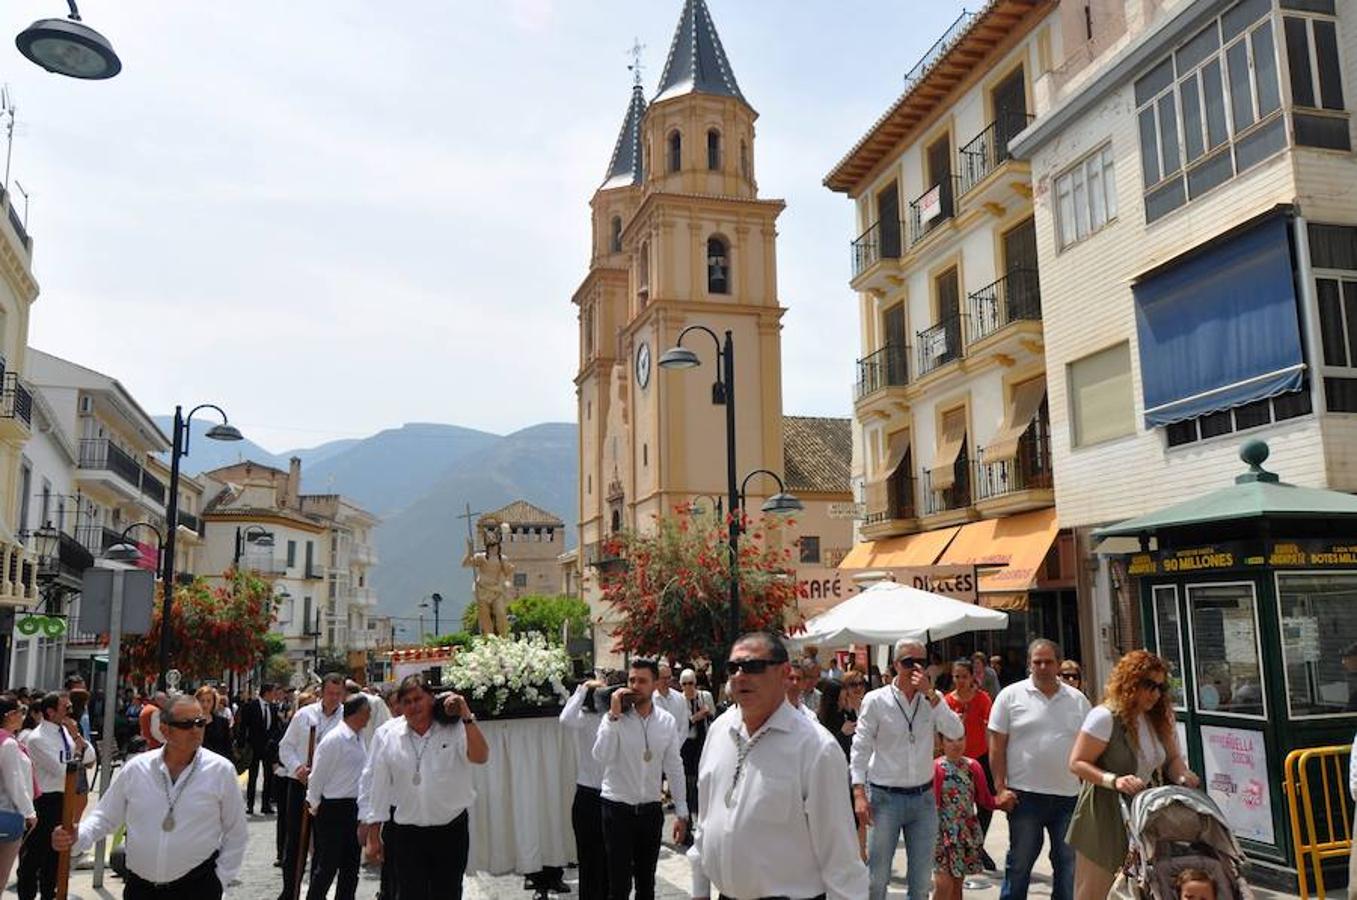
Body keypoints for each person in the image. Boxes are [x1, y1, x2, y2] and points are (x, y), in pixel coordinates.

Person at [690, 632, 868, 899]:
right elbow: (705, 822)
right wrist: (699, 891)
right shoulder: (719, 731)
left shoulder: (816, 747)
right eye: (733, 668)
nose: (740, 675)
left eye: (753, 666)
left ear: (784, 673)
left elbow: (841, 860)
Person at [52, 694, 248, 900]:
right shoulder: (137, 769)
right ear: (164, 729)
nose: (195, 730)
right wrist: (77, 836)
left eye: (200, 723)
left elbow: (236, 832)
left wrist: (220, 881)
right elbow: (104, 817)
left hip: (196, 887)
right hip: (141, 889)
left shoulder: (220, 771)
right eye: (186, 724)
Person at [1067, 650, 1199, 900]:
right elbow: (1077, 762)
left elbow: (1172, 760)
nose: (1156, 693)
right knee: (1099, 889)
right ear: (1130, 682)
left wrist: (1183, 776)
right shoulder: (1105, 717)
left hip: (1143, 810)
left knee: (1144, 886)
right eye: (1149, 685)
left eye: (1161, 687)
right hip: (1104, 812)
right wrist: (1113, 780)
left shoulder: (1159, 718)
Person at [851, 638, 965, 900]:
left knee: (921, 882)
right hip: (885, 798)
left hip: (923, 799)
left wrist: (933, 695)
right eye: (907, 662)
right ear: (894, 665)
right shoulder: (876, 700)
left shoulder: (931, 700)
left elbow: (956, 732)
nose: (915, 668)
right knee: (877, 879)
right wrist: (858, 792)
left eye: (921, 662)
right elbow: (860, 748)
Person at [362, 674, 488, 900]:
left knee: (447, 894)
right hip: (407, 833)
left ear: (431, 698)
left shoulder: (455, 726)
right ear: (399, 706)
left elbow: (480, 756)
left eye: (418, 699)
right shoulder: (387, 735)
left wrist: (466, 715)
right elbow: (377, 785)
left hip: (450, 830)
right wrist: (373, 835)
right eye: (407, 702)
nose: (413, 706)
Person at [987, 639, 1091, 900]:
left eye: (1048, 662)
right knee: (1019, 866)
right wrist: (1000, 789)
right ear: (1029, 664)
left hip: (1068, 798)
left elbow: (1089, 748)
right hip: (1024, 797)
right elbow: (996, 747)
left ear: (1058, 664)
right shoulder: (1010, 696)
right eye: (1037, 662)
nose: (1043, 667)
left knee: (1068, 868)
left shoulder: (1078, 701)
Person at [593, 658, 687, 900]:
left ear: (655, 684)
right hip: (617, 809)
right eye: (631, 680)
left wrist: (682, 812)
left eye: (642, 681)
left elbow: (674, 767)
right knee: (619, 886)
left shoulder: (666, 721)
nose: (635, 686)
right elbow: (601, 756)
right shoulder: (614, 718)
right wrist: (613, 717)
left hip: (650, 811)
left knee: (646, 884)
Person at [276, 674, 346, 900]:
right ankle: (290, 892)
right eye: (330, 693)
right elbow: (285, 747)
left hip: (330, 790)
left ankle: (316, 894)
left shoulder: (347, 718)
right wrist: (298, 768)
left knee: (324, 845)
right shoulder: (304, 715)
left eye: (338, 694)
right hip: (300, 786)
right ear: (321, 693)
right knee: (295, 842)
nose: (334, 698)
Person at [305, 694, 371, 900]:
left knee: (351, 867)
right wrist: (314, 804)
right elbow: (318, 776)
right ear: (358, 714)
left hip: (353, 808)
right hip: (333, 809)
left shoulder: (359, 738)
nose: (369, 718)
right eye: (367, 713)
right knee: (327, 866)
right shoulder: (334, 740)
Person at [18, 691, 83, 900]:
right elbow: (63, 769)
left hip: (63, 799)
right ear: (50, 711)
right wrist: (77, 755)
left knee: (54, 857)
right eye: (66, 708)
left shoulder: (64, 732)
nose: (70, 712)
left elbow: (88, 755)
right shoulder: (38, 738)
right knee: (34, 856)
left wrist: (76, 739)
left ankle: (49, 895)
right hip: (45, 800)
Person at [560, 675, 613, 900]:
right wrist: (583, 689)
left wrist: (583, 690)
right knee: (589, 857)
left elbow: (565, 718)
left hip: (608, 793)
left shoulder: (611, 718)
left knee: (605, 857)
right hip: (588, 792)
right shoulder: (584, 718)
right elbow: (565, 719)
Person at [934, 733, 998, 900]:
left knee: (956, 886)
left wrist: (1003, 800)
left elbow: (985, 799)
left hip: (964, 833)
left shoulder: (973, 766)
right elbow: (929, 804)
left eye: (961, 738)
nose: (956, 744)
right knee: (943, 884)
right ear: (941, 743)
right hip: (940, 833)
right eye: (950, 739)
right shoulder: (936, 767)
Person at [946, 658, 996, 871]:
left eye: (964, 677)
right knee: (961, 807)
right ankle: (966, 849)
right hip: (957, 759)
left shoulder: (982, 698)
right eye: (956, 677)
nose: (960, 681)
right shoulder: (948, 701)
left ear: (971, 677)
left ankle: (978, 844)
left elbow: (990, 727)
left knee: (986, 804)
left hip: (981, 757)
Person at [0, 696, 35, 890]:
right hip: (6, 814)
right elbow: (15, 782)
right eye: (21, 711)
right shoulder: (8, 744)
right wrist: (30, 812)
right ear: (10, 715)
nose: (23, 715)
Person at [676, 668, 713, 828]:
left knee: (702, 777)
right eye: (684, 684)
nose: (688, 687)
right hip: (687, 743)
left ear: (695, 683)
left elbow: (712, 714)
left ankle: (702, 814)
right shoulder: (678, 700)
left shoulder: (705, 696)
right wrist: (696, 716)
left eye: (690, 683)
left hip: (703, 740)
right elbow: (680, 724)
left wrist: (706, 713)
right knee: (688, 780)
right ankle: (689, 816)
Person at [238, 683, 281, 815]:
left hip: (268, 748)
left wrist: (274, 741)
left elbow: (275, 727)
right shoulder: (251, 706)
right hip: (253, 747)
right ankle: (249, 805)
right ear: (267, 693)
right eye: (273, 692)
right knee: (253, 776)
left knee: (269, 777)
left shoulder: (273, 708)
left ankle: (265, 805)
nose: (275, 695)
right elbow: (243, 726)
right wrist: (242, 744)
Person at [197, 687, 234, 761]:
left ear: (214, 702)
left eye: (209, 701)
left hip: (218, 764)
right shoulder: (191, 722)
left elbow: (228, 746)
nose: (205, 704)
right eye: (202, 701)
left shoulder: (222, 722)